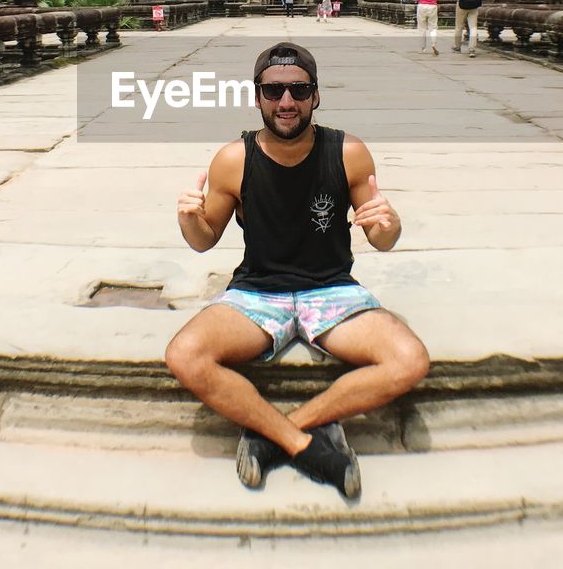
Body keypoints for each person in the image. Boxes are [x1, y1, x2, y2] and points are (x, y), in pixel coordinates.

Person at [168, 42, 429, 500]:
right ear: (257, 97)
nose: (286, 103)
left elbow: (381, 239)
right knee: (184, 355)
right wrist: (190, 217)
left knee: (410, 360)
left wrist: (390, 224)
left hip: (331, 289)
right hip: (257, 293)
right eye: (273, 91)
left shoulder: (348, 152)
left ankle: (277, 433)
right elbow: (203, 239)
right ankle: (307, 446)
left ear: (315, 96)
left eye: (298, 90)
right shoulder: (234, 158)